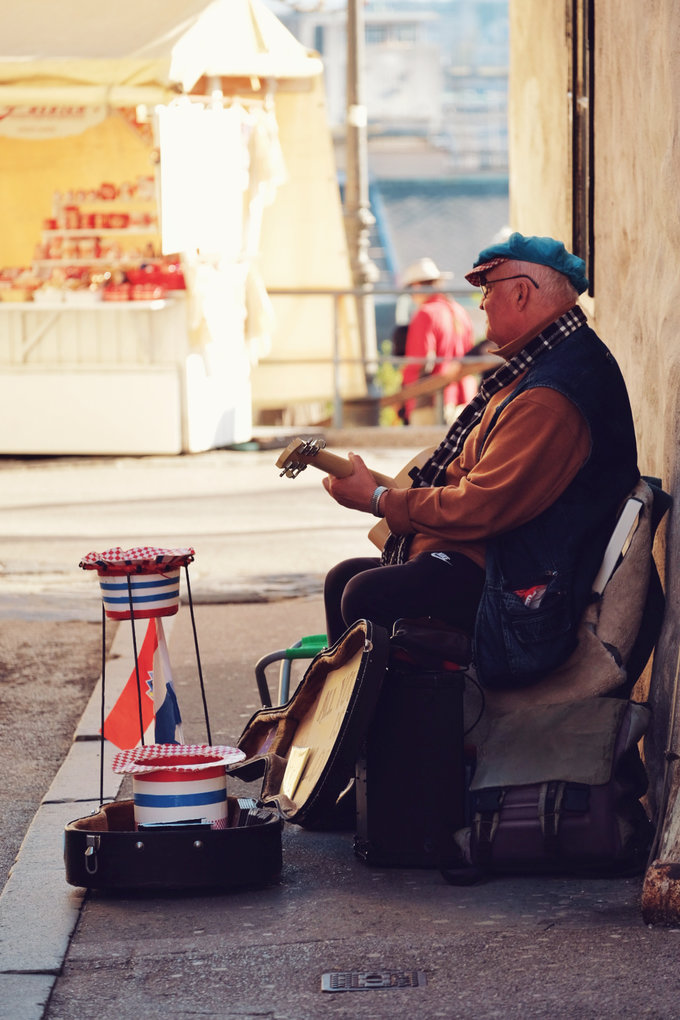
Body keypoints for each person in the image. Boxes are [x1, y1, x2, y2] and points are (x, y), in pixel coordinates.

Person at [322, 233, 639, 690]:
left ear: (521, 292)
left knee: (368, 593)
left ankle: (407, 751)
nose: (483, 304)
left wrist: (377, 500)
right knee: (344, 581)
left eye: (487, 290)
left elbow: (481, 506)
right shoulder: (545, 364)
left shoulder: (551, 393)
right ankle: (362, 742)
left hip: (524, 593)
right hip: (505, 558)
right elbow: (477, 483)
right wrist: (383, 490)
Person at [398, 257, 476, 425]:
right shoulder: (460, 311)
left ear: (417, 286)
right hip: (463, 400)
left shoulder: (426, 314)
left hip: (431, 403)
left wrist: (405, 397)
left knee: (426, 451)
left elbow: (420, 363)